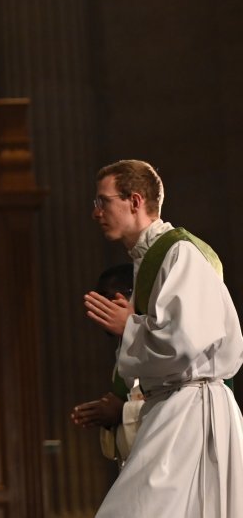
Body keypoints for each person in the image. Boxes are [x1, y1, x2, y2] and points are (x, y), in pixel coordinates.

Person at [83, 159, 243, 516]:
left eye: (102, 201)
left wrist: (129, 327)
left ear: (135, 201)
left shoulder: (180, 253)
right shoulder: (149, 259)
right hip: (171, 407)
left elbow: (185, 343)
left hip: (192, 411)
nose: (96, 213)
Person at [70, 264, 144, 466]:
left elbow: (178, 405)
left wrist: (122, 411)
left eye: (106, 298)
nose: (100, 307)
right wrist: (105, 411)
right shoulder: (124, 346)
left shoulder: (154, 343)